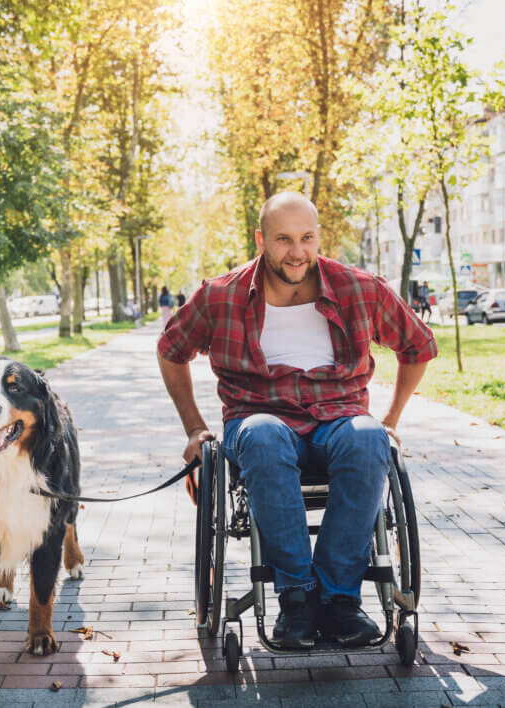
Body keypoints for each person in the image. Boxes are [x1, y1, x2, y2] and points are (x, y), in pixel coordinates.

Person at [157, 192, 436, 649]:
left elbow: (418, 346)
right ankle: (297, 598)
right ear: (260, 239)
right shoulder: (220, 295)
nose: (297, 251)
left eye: (307, 238)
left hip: (339, 418)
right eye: (283, 239)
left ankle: (340, 599)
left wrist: (390, 419)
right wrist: (194, 428)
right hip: (259, 418)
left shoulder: (358, 288)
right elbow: (171, 351)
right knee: (265, 437)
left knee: (370, 440)